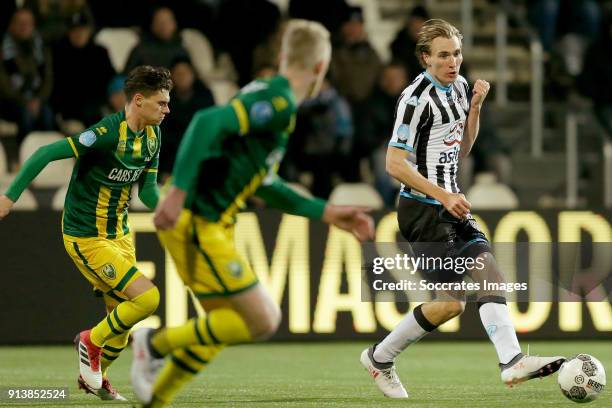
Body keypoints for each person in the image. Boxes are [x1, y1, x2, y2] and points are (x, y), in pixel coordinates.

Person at [129, 20, 374, 408]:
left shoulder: (275, 101)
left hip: (209, 225)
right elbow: (206, 121)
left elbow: (263, 184)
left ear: (282, 57)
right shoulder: (277, 102)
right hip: (197, 221)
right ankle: (152, 344)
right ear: (320, 67)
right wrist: (176, 193)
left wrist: (327, 212)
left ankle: (156, 400)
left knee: (221, 326)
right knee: (262, 319)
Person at [359, 19, 565, 398]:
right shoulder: (415, 98)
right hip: (422, 208)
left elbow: (460, 150)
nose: (452, 61)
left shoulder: (459, 89)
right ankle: (510, 361)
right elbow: (394, 163)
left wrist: (475, 110)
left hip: (447, 204)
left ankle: (381, 357)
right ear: (425, 58)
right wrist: (442, 195)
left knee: (454, 301)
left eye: (456, 53)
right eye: (442, 55)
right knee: (476, 284)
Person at [0, 66, 172, 401]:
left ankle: (95, 377)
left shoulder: (153, 136)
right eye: (161, 103)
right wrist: (9, 197)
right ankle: (90, 340)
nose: (167, 110)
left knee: (120, 332)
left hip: (119, 235)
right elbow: (44, 153)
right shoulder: (106, 133)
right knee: (147, 298)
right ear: (138, 100)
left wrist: (172, 209)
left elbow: (148, 192)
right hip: (86, 236)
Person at [0, 7, 55, 146]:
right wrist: (25, 101)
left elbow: (48, 79)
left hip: (38, 100)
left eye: (28, 23)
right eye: (20, 22)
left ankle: (49, 157)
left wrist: (38, 100)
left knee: (48, 115)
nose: (25, 26)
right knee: (25, 116)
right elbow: (4, 84)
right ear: (12, 25)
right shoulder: (4, 50)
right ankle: (26, 158)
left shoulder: (41, 48)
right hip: (11, 101)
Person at [51, 11, 115, 126]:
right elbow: (56, 87)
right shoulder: (59, 53)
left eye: (82, 30)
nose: (78, 34)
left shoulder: (100, 53)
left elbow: (111, 79)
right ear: (69, 32)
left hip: (96, 107)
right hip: (69, 109)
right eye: (74, 30)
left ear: (89, 31)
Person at [159, 57, 214, 179]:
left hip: (201, 155)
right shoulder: (164, 101)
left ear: (193, 74)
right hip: (173, 160)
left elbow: (210, 131)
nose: (182, 77)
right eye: (178, 73)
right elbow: (163, 137)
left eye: (185, 72)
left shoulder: (205, 97)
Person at [124, 7, 190, 73]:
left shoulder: (181, 50)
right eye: (159, 22)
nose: (164, 26)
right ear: (152, 25)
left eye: (167, 21)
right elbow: (125, 77)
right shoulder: (141, 50)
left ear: (175, 24)